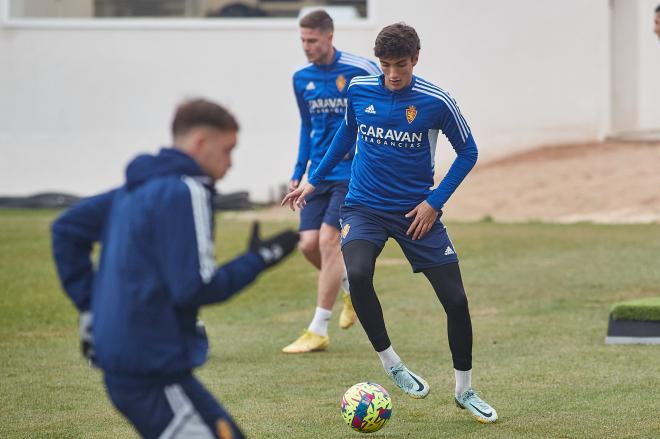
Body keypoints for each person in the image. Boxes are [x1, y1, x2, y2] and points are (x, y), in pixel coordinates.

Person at [283, 23, 498, 423]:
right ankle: (391, 363)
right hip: (363, 207)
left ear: (415, 59)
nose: (393, 73)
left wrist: (434, 203)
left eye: (400, 64)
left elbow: (468, 151)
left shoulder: (436, 101)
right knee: (359, 273)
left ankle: (465, 390)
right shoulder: (361, 89)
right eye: (386, 65)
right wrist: (312, 181)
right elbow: (344, 138)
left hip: (416, 214)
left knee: (456, 300)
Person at [52, 98, 299, 438]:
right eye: (228, 150)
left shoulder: (136, 189)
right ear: (200, 143)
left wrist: (89, 308)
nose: (230, 163)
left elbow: (66, 230)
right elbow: (194, 287)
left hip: (135, 367)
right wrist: (261, 258)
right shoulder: (188, 190)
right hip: (151, 372)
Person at [282, 9, 381, 354]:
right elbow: (307, 127)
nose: (306, 47)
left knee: (328, 241)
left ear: (329, 37)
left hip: (352, 175)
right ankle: (350, 289)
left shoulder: (361, 70)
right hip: (317, 175)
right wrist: (298, 170)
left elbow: (380, 111)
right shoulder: (300, 78)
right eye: (302, 41)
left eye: (312, 40)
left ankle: (317, 328)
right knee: (307, 245)